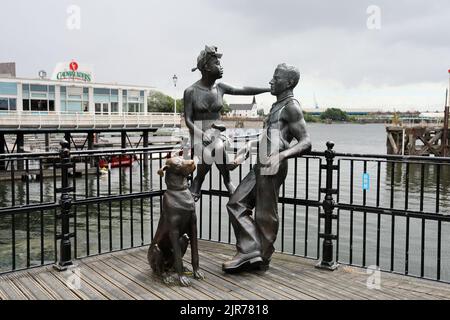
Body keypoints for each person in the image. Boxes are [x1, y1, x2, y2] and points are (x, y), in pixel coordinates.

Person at [223, 63, 312, 273]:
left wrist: (281, 156)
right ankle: (251, 251)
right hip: (261, 162)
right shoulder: (276, 106)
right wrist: (247, 147)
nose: (271, 81)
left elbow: (306, 141)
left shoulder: (291, 106)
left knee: (265, 213)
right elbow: (270, 138)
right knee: (236, 203)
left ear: (289, 83)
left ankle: (260, 256)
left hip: (273, 164)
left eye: (276, 78)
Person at [184, 45, 270, 201]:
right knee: (215, 149)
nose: (221, 67)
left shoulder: (220, 88)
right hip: (198, 135)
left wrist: (268, 89)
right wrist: (201, 134)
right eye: (216, 64)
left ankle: (198, 181)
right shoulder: (191, 91)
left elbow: (244, 90)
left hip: (217, 133)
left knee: (216, 146)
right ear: (205, 67)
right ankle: (228, 180)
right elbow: (188, 120)